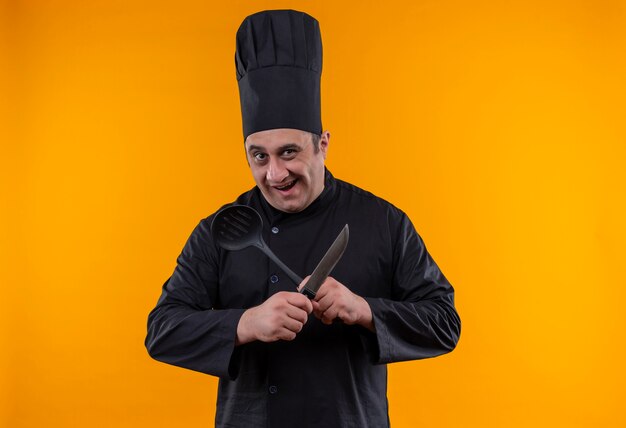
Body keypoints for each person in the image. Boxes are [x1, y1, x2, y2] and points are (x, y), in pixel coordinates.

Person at [146, 9, 460, 428]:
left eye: (289, 152)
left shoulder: (383, 222)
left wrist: (363, 309)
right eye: (259, 156)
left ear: (323, 144)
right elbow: (162, 331)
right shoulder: (222, 231)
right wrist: (246, 323)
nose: (274, 174)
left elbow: (444, 323)